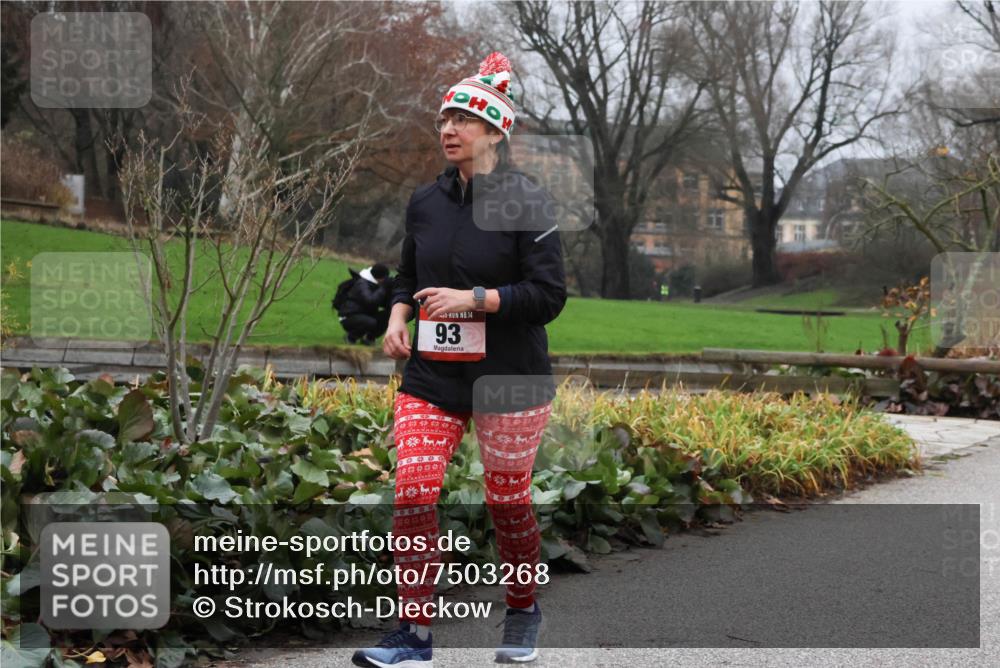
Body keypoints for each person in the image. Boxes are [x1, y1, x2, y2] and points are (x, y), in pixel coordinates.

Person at [351, 52, 566, 667]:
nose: (448, 128)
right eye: (445, 117)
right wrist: (398, 317)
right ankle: (414, 635)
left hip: (508, 377)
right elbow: (407, 276)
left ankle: (523, 608)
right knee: (414, 491)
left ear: (495, 132)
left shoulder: (527, 202)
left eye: (463, 119)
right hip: (433, 374)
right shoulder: (426, 201)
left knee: (507, 501)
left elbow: (549, 297)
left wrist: (476, 299)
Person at [337, 264, 392, 345]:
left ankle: (369, 339)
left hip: (364, 315)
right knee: (370, 322)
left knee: (389, 315)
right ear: (380, 278)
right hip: (349, 316)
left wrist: (390, 291)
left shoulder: (376, 285)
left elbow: (384, 304)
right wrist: (383, 288)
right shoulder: (362, 284)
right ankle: (351, 337)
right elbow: (370, 301)